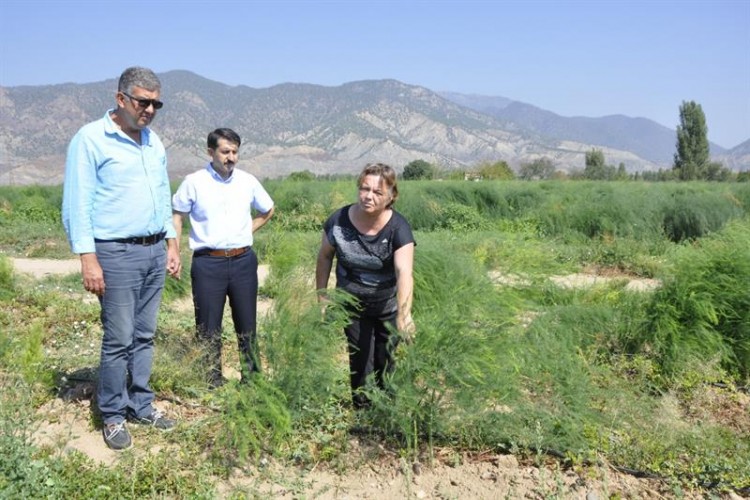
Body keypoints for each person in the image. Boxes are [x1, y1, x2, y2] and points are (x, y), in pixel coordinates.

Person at [62, 66, 181, 451]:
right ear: (120, 99)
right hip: (115, 253)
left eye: (155, 103)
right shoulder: (91, 139)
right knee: (119, 338)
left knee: (145, 335)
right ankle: (112, 414)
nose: (149, 109)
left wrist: (171, 243)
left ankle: (141, 404)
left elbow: (163, 197)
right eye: (143, 101)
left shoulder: (153, 142)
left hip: (152, 249)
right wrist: (87, 258)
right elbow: (77, 204)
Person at [172, 128, 275, 388]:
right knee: (207, 326)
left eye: (235, 152)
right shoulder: (194, 182)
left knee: (247, 324)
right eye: (225, 151)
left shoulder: (247, 181)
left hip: (243, 261)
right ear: (211, 152)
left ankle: (252, 380)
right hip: (208, 262)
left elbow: (268, 208)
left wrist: (246, 230)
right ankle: (211, 381)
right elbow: (177, 215)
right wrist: (172, 249)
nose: (231, 157)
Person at [315, 163, 416, 408]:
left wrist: (405, 314)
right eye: (364, 189)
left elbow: (404, 271)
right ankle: (362, 412)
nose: (368, 196)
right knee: (360, 361)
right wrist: (322, 298)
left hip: (387, 307)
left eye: (377, 192)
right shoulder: (338, 221)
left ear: (392, 196)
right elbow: (324, 256)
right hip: (351, 305)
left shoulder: (398, 228)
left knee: (385, 361)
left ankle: (386, 409)